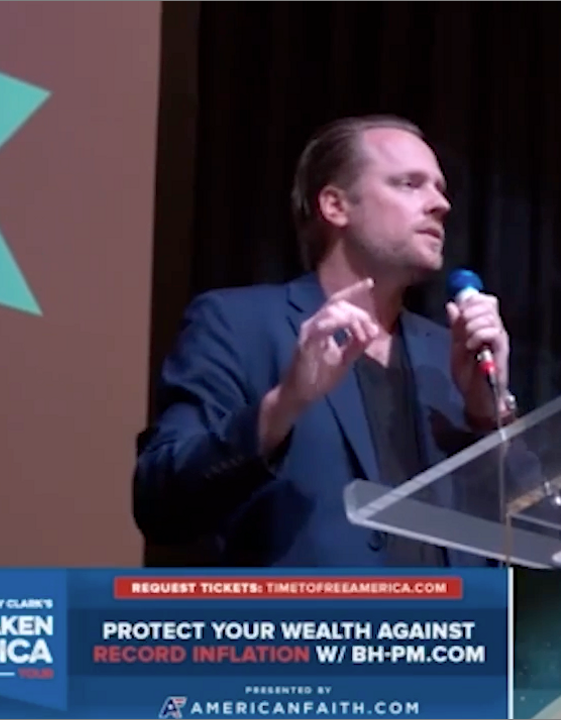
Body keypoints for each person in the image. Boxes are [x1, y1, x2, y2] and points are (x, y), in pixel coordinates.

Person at [133, 115, 519, 567]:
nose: (441, 204)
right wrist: (283, 405)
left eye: (440, 188)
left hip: (457, 613)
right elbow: (160, 502)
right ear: (335, 206)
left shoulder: (450, 355)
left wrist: (488, 413)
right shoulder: (238, 325)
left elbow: (537, 526)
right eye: (410, 184)